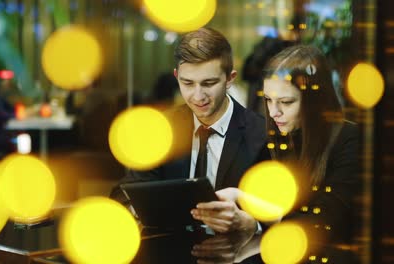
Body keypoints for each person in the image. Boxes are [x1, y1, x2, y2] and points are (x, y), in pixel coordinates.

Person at [111, 27, 269, 235]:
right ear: (177, 76)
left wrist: (253, 224)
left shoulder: (261, 134)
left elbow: (284, 211)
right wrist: (138, 209)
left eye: (209, 83)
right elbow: (123, 194)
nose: (197, 96)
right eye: (187, 83)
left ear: (230, 79)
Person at [261, 45, 359, 247]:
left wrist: (261, 215)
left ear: (314, 101)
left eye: (286, 102)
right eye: (268, 100)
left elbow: (325, 223)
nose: (273, 112)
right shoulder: (279, 137)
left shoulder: (349, 140)